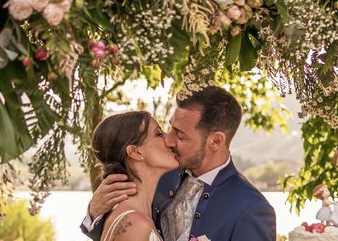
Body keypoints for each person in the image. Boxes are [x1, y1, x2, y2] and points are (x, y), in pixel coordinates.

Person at [80, 86, 276, 241]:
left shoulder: (250, 208)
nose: (169, 140)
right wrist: (94, 214)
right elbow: (126, 230)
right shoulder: (158, 175)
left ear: (215, 140)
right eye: (169, 128)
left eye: (180, 134)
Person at [91, 111, 179, 241]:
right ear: (136, 152)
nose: (168, 139)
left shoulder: (134, 217)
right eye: (159, 134)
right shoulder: (136, 225)